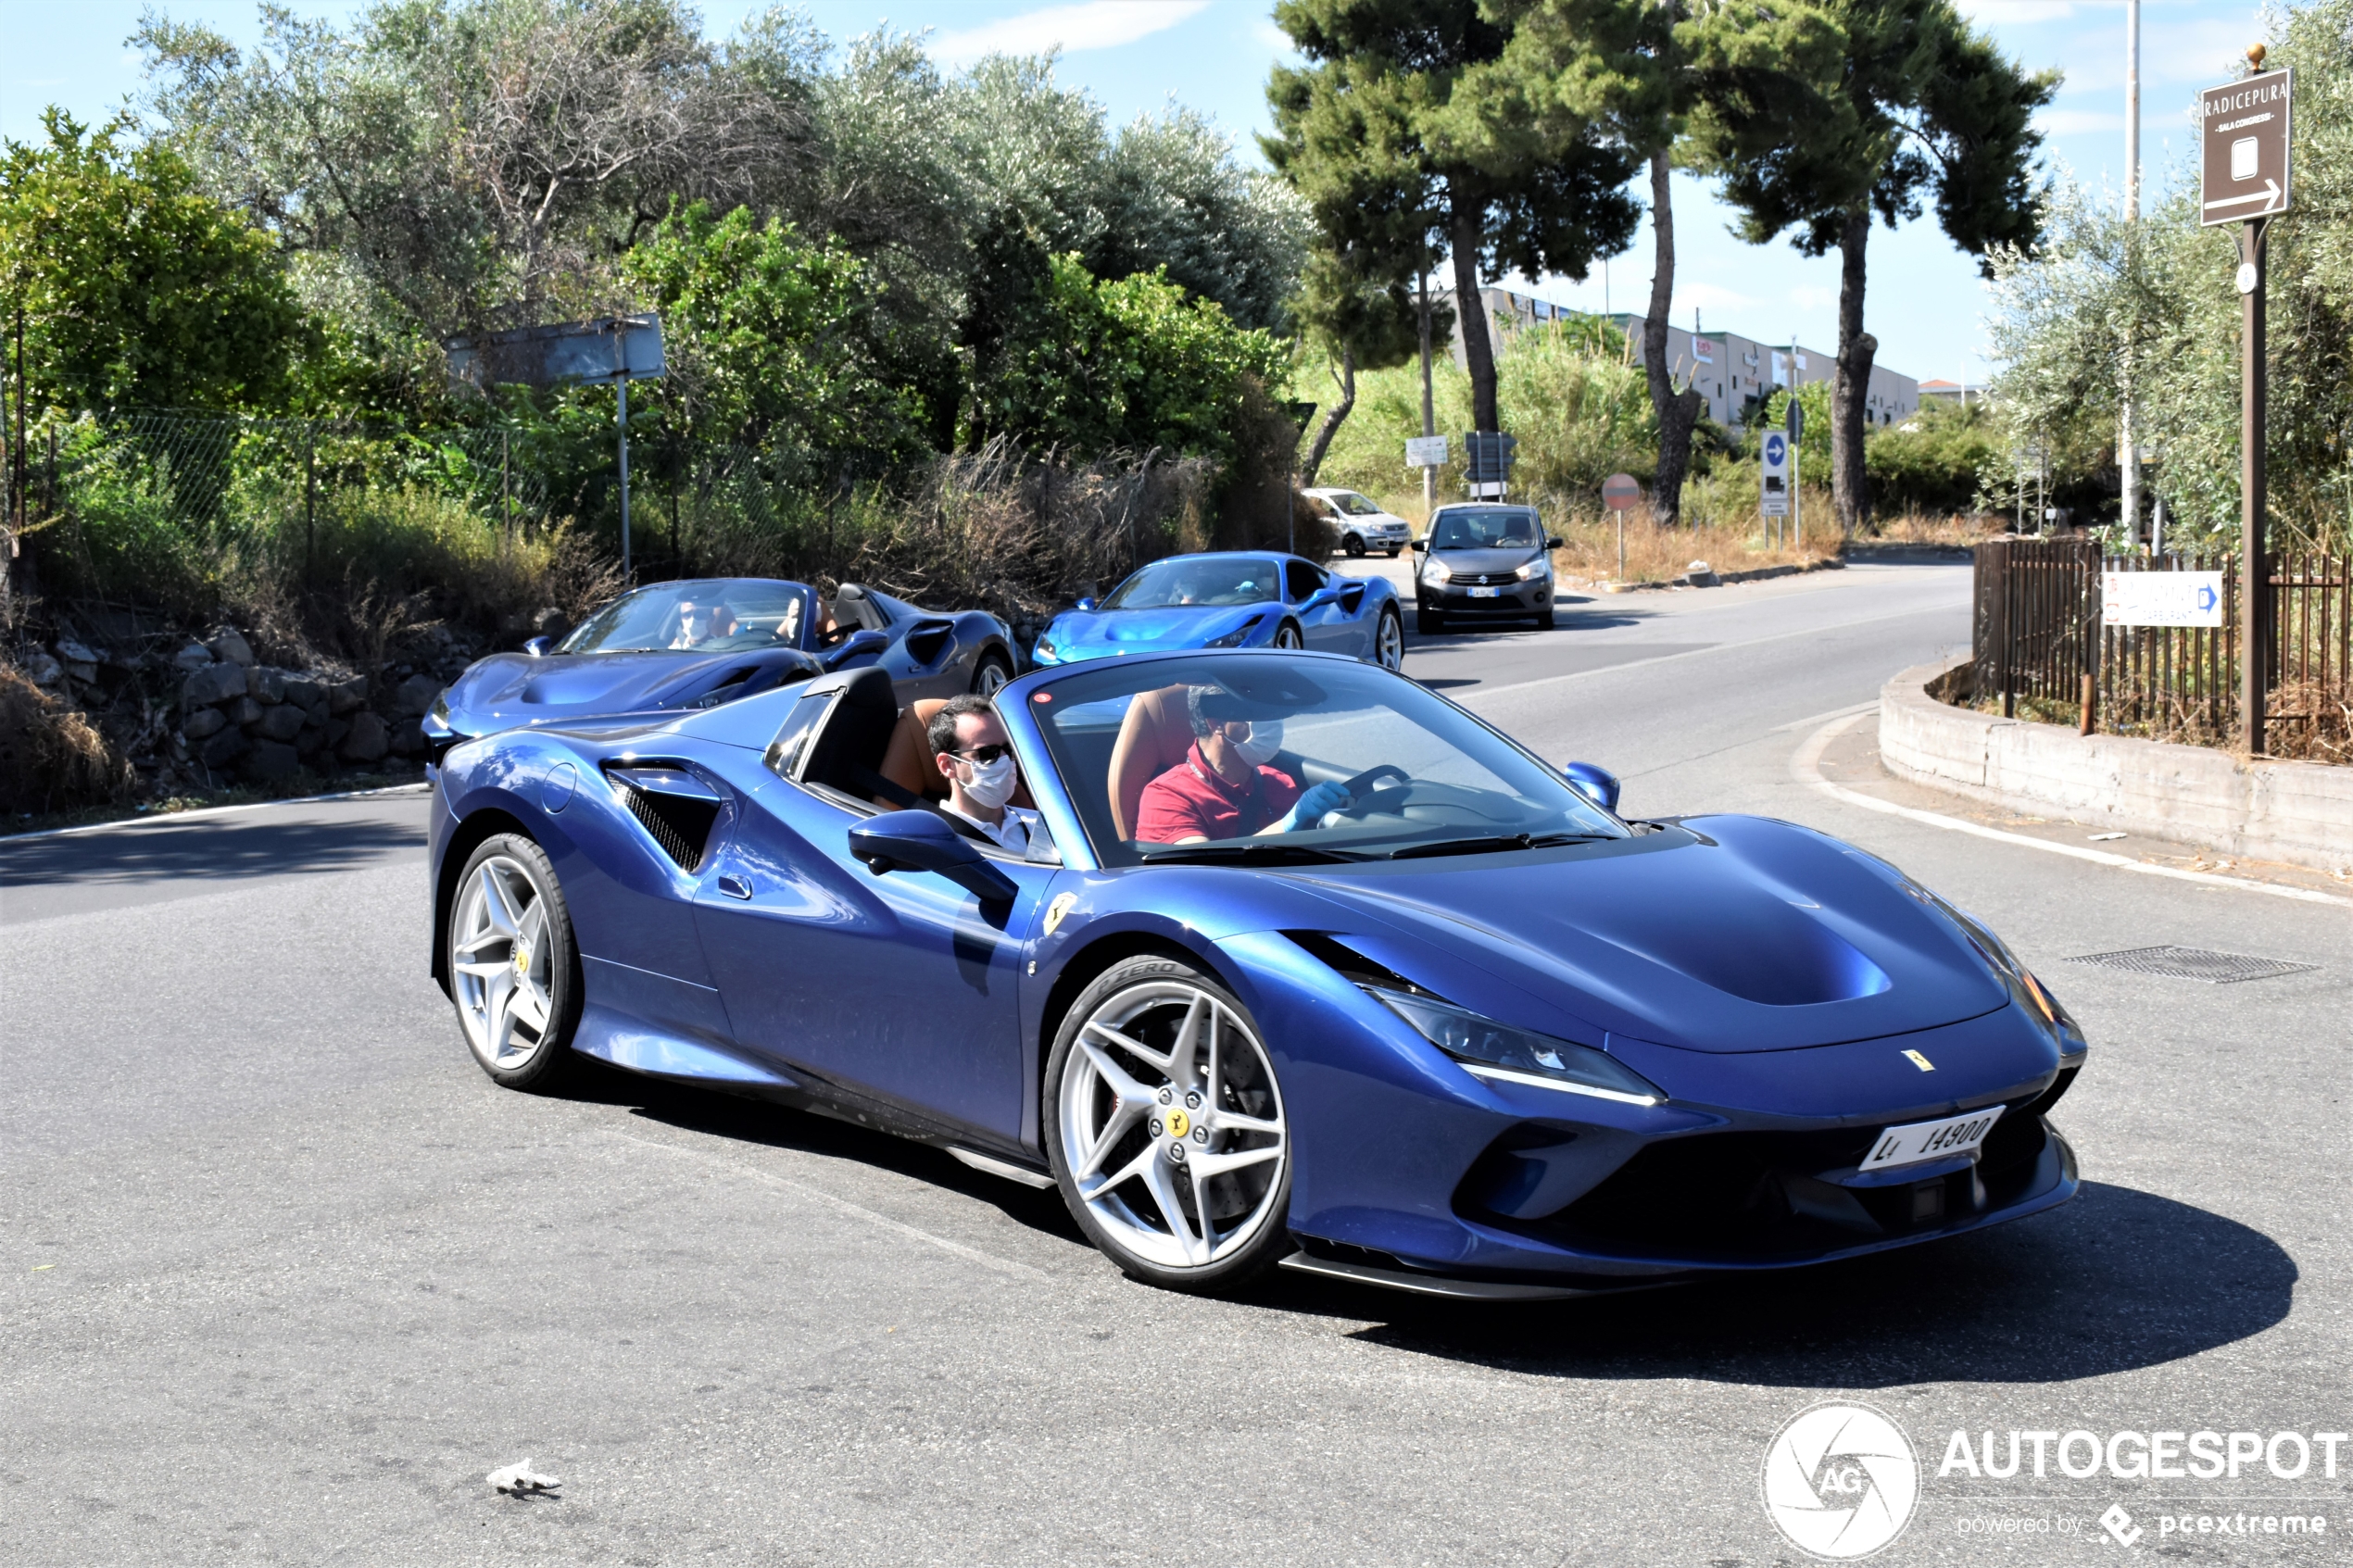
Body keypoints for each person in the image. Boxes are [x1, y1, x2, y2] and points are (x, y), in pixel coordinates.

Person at [1133, 685, 1348, 844]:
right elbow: (1204, 870)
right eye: (1258, 713)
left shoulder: (1278, 781)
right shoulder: (1166, 796)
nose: (1272, 722)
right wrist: (1286, 825)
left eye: (1273, 713)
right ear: (1217, 723)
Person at [928, 694, 1046, 855]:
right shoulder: (931, 841)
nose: (1005, 760)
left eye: (1009, 749)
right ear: (947, 765)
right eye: (988, 753)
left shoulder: (1044, 828)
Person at [672, 597, 738, 649]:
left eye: (699, 615)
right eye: (687, 615)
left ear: (711, 619)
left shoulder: (724, 648)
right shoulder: (674, 651)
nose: (692, 620)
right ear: (681, 619)